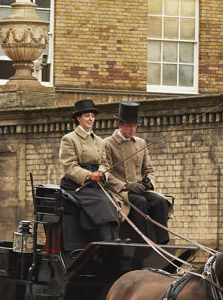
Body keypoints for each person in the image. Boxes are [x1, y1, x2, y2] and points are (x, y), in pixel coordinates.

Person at [104, 101, 171, 245]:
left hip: (139, 189)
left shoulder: (141, 143)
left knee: (160, 201)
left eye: (135, 125)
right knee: (140, 202)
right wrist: (126, 186)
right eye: (129, 125)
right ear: (119, 124)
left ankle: (162, 242)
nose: (133, 129)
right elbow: (106, 173)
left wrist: (148, 183)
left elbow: (149, 170)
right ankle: (144, 242)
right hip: (120, 192)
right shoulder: (108, 143)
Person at [59, 99, 123, 242]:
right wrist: (88, 175)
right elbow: (69, 166)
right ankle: (109, 240)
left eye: (93, 116)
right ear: (78, 118)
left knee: (113, 201)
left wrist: (102, 173)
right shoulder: (69, 139)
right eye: (87, 116)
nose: (90, 119)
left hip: (96, 182)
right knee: (102, 201)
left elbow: (104, 163)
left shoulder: (99, 141)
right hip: (76, 184)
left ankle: (114, 237)